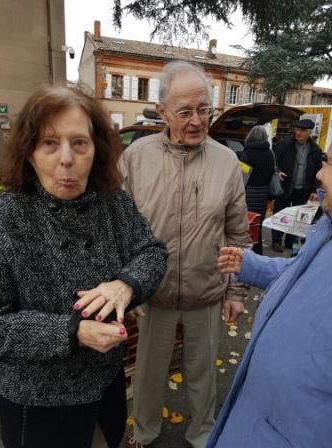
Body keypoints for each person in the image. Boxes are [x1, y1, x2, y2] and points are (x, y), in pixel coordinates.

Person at [0, 85, 167, 448]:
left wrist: (126, 285)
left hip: (105, 387)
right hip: (38, 400)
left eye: (79, 143)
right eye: (49, 144)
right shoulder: (5, 218)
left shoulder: (112, 204)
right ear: (28, 153)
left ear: (96, 150)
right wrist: (73, 332)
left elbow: (152, 252)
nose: (66, 159)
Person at [119, 60, 252, 448]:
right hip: (152, 294)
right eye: (185, 112)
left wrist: (235, 292)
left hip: (206, 291)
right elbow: (119, 230)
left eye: (204, 109)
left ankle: (202, 434)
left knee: (202, 375)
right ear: (162, 112)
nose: (197, 120)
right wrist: (126, 288)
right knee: (147, 373)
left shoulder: (226, 162)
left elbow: (238, 234)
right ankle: (144, 433)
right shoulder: (136, 157)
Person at [206, 143, 332, 448]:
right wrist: (251, 264)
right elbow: (300, 273)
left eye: (330, 164)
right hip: (260, 418)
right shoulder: (327, 228)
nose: (319, 173)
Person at [271, 118, 322, 252]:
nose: (298, 133)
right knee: (280, 214)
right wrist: (278, 172)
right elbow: (274, 162)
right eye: (297, 129)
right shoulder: (285, 144)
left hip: (303, 189)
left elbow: (318, 172)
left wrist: (315, 190)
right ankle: (276, 241)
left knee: (298, 217)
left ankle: (289, 241)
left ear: (309, 132)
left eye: (302, 130)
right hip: (285, 186)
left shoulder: (315, 150)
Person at [238, 125, 274, 254]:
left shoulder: (246, 154)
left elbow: (241, 179)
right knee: (257, 226)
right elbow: (271, 173)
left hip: (248, 194)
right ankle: (258, 253)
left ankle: (245, 252)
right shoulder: (270, 154)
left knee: (245, 225)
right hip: (263, 194)